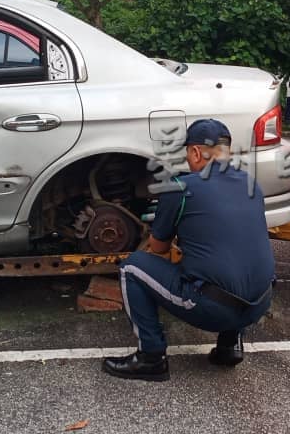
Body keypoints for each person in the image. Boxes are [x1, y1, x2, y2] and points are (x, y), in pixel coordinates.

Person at [101, 118, 276, 382]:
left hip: (213, 309)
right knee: (236, 261)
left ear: (195, 152)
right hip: (258, 305)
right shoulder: (251, 184)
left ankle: (151, 358)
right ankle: (230, 346)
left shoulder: (180, 188)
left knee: (132, 268)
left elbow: (158, 249)